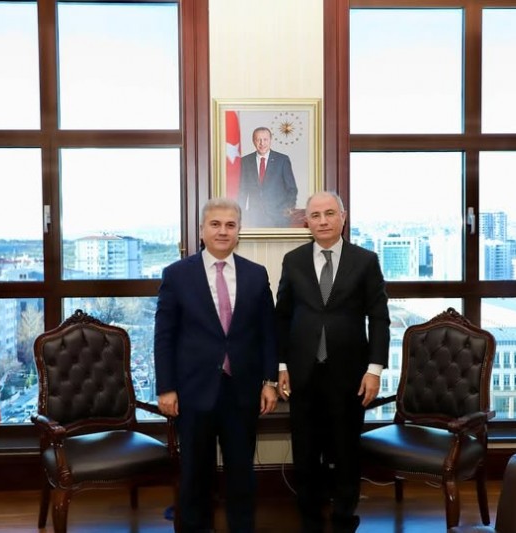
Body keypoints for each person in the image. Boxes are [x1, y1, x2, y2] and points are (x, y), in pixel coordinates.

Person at [154, 197, 279, 533]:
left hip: (242, 390)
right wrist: (166, 388)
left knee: (241, 472)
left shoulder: (256, 275)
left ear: (239, 231)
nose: (223, 231)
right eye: (215, 224)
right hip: (193, 391)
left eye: (230, 225)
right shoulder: (177, 275)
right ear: (201, 231)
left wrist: (269, 381)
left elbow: (268, 332)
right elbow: (164, 336)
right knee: (196, 473)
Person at [275, 191, 390, 533]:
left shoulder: (365, 261)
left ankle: (343, 518)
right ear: (306, 222)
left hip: (350, 374)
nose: (323, 221)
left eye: (329, 213)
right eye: (315, 215)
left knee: (346, 450)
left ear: (343, 216)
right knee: (305, 452)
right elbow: (282, 317)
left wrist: (374, 370)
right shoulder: (293, 260)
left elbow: (379, 318)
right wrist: (281, 366)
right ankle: (309, 518)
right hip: (302, 373)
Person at [237, 126, 298, 228]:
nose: (262, 143)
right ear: (253, 141)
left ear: (270, 140)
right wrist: (240, 214)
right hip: (254, 218)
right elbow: (242, 190)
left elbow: (292, 189)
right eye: (258, 140)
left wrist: (287, 209)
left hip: (279, 218)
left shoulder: (282, 160)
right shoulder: (245, 161)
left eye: (265, 139)